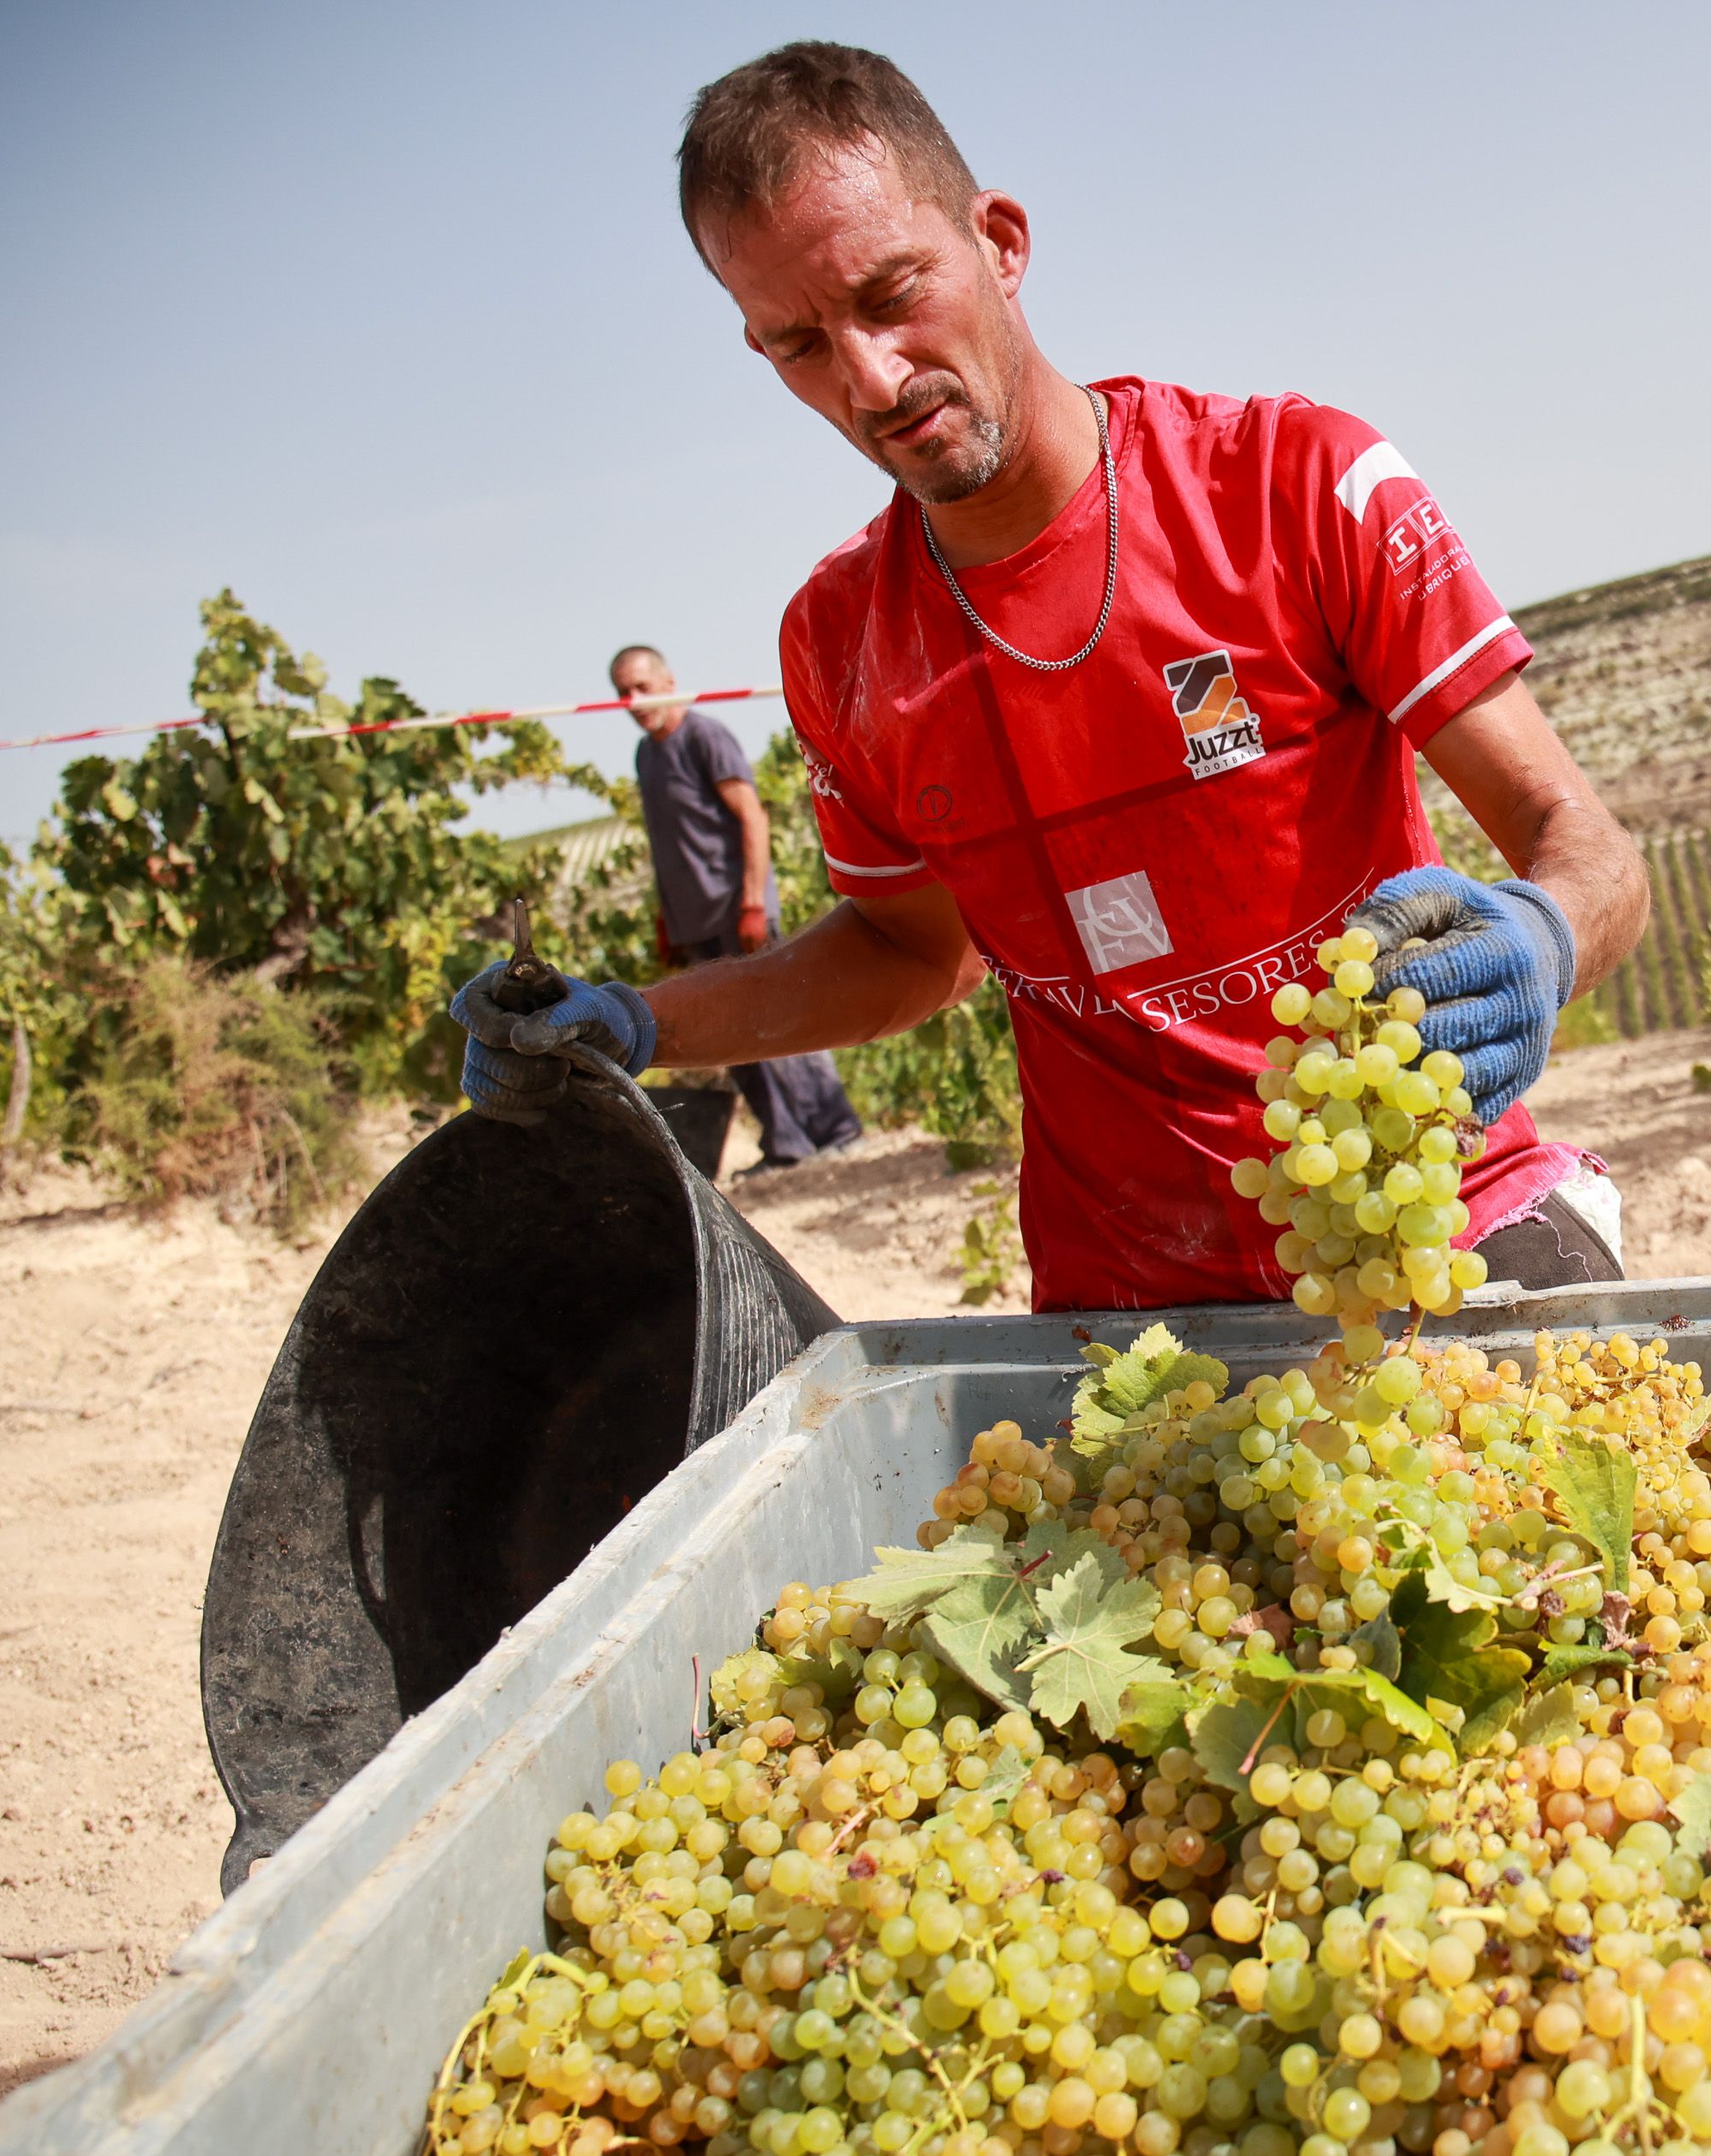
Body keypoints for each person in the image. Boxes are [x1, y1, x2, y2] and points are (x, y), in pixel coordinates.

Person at [456, 42, 1643, 1310]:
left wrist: (1546, 931)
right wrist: (642, 1025)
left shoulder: (1295, 486)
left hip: (1435, 1234)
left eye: (891, 292)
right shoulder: (838, 641)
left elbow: (1588, 847)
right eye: (801, 343)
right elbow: (911, 952)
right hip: (1125, 1319)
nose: (869, 379)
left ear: (1001, 243)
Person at [610, 644, 865, 1171]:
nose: (632, 701)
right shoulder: (646, 756)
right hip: (694, 919)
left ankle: (836, 1127)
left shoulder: (704, 737)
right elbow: (666, 843)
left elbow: (752, 818)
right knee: (732, 1032)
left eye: (641, 687)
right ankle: (785, 1142)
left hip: (736, 908)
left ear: (668, 681)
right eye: (622, 692)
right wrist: (666, 917)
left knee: (782, 1014)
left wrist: (752, 902)